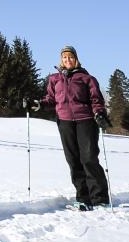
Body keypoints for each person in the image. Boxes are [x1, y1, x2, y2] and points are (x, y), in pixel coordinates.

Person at [34, 45, 112, 211]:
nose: (67, 60)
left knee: (88, 158)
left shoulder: (87, 78)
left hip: (86, 121)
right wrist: (38, 105)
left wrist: (99, 113)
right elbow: (51, 100)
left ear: (76, 59)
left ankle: (100, 198)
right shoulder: (54, 79)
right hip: (65, 122)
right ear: (61, 60)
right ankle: (83, 198)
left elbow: (96, 100)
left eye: (70, 57)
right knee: (73, 161)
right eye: (64, 58)